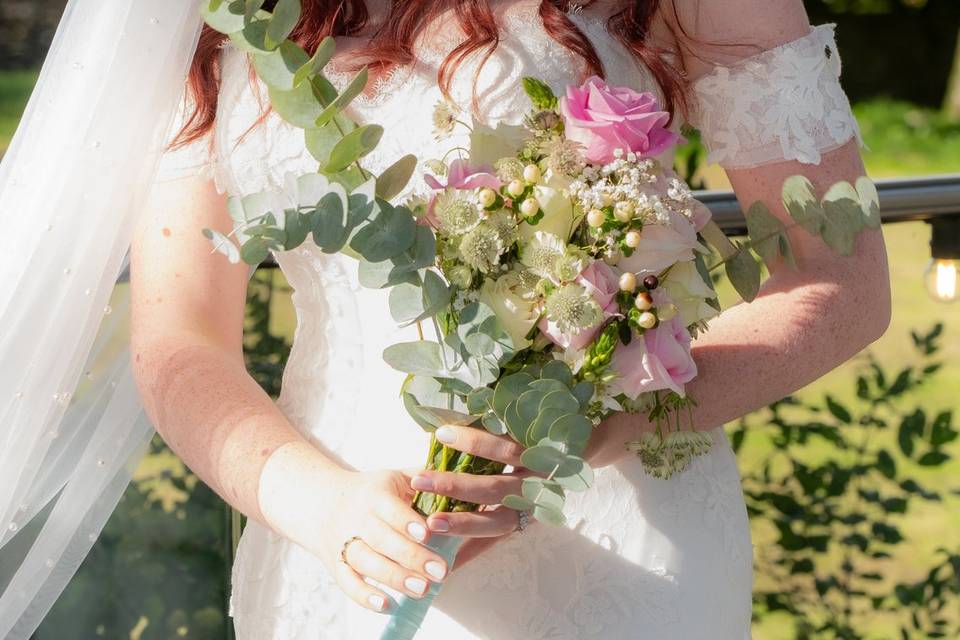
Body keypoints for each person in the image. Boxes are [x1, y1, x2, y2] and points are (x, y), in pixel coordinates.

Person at [4, 0, 891, 638]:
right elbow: (179, 336)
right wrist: (325, 510)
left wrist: (580, 425)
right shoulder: (211, 13)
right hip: (338, 543)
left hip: (629, 545)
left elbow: (839, 278)